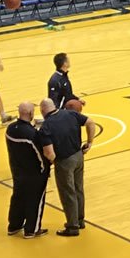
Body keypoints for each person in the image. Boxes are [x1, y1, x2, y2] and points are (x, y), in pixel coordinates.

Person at [41, 96, 99, 236]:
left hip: (64, 160)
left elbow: (49, 152)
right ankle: (80, 220)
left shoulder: (46, 126)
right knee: (78, 188)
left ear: (42, 111)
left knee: (68, 193)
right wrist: (89, 142)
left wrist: (56, 162)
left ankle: (72, 226)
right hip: (78, 156)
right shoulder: (70, 113)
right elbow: (91, 123)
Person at [4, 101, 54, 239]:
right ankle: (32, 229)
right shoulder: (32, 135)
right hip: (34, 173)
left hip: (17, 170)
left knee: (18, 197)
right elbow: (40, 154)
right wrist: (45, 169)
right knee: (35, 200)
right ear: (31, 113)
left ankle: (14, 225)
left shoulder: (10, 129)